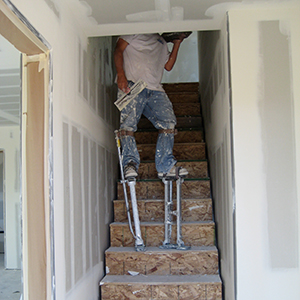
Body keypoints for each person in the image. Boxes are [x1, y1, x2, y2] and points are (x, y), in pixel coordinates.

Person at [114, 33, 188, 179]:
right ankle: (130, 164)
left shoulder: (161, 41)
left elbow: (168, 66)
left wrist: (177, 43)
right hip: (132, 84)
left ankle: (165, 166)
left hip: (155, 89)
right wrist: (120, 74)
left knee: (168, 122)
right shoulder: (134, 32)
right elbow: (118, 50)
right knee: (128, 125)